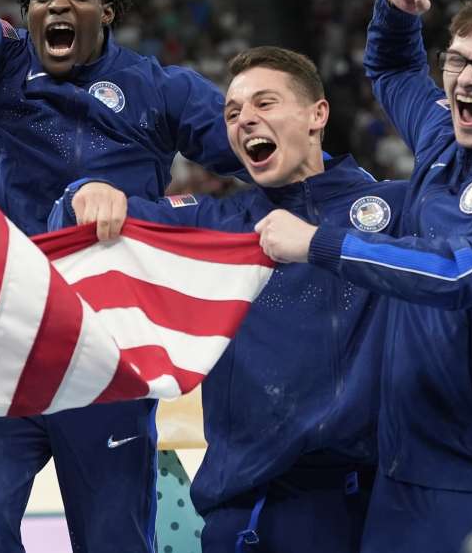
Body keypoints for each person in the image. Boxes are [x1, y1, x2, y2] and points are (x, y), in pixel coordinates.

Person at [0, 0, 243, 553]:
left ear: (106, 10)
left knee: (115, 537)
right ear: (26, 11)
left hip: (106, 350)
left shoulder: (158, 89)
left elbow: (256, 155)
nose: (56, 5)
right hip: (4, 341)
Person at [255, 0, 472, 551]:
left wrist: (321, 244)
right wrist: (398, 10)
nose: (464, 80)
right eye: (456, 60)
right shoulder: (441, 139)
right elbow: (393, 67)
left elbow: (468, 273)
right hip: (402, 481)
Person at [52, 46, 406, 552]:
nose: (245, 120)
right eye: (234, 112)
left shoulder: (393, 209)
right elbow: (100, 220)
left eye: (265, 103)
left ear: (317, 115)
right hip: (248, 515)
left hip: (371, 508)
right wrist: (84, 193)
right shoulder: (217, 225)